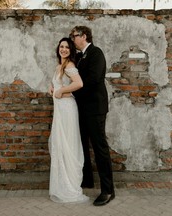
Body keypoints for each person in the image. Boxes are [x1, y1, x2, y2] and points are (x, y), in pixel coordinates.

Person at [69, 26, 115, 206]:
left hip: (95, 108)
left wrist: (72, 92)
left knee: (99, 147)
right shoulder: (79, 57)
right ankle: (87, 180)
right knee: (82, 145)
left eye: (74, 36)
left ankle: (108, 190)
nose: (72, 39)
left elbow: (94, 79)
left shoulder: (96, 53)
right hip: (82, 109)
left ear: (84, 36)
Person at [48, 37, 89, 203]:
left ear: (71, 50)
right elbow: (58, 85)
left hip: (67, 109)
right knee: (60, 144)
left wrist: (62, 91)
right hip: (60, 109)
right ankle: (61, 185)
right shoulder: (59, 66)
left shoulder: (70, 65)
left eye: (66, 47)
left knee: (67, 144)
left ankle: (69, 185)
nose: (63, 49)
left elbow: (79, 84)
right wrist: (52, 88)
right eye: (61, 46)